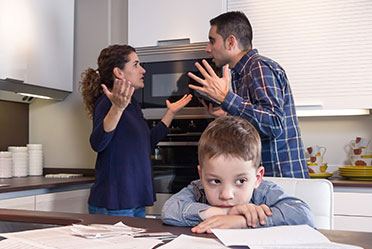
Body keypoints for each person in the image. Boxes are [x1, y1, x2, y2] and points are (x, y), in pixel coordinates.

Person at [188, 11, 308, 178]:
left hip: (281, 179)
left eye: (212, 41)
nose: (208, 49)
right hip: (265, 179)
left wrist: (226, 98)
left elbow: (273, 124)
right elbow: (256, 123)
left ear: (231, 42)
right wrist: (227, 113)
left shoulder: (259, 67)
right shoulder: (240, 74)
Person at [80, 44, 192, 217]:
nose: (143, 70)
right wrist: (117, 108)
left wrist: (171, 113)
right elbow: (98, 142)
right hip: (115, 202)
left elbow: (146, 142)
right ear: (119, 72)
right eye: (136, 64)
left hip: (134, 200)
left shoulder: (132, 105)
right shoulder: (107, 102)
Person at [161, 116, 314, 233]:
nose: (226, 195)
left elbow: (304, 215)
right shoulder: (198, 189)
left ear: (257, 178)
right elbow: (169, 210)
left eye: (240, 181)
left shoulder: (264, 192)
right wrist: (225, 212)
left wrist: (241, 221)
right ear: (201, 176)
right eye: (215, 181)